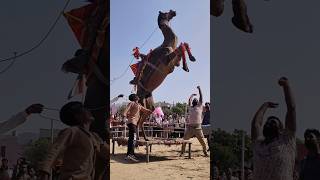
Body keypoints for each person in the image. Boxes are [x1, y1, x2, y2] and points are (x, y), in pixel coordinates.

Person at [38, 101, 109, 180]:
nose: (89, 111)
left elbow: (107, 153)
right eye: (85, 109)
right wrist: (45, 170)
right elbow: (55, 149)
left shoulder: (94, 137)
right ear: (77, 116)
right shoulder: (72, 131)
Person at [251, 77, 296, 180]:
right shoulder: (258, 144)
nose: (268, 123)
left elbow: (291, 109)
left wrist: (286, 86)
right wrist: (264, 106)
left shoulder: (286, 141)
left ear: (281, 129)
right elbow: (256, 124)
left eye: (273, 122)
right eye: (267, 121)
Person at [123, 94, 152, 161]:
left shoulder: (138, 105)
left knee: (131, 139)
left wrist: (151, 111)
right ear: (135, 98)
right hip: (132, 122)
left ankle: (129, 154)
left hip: (134, 123)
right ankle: (131, 154)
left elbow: (145, 110)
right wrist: (124, 117)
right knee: (133, 138)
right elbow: (126, 110)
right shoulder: (132, 103)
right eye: (137, 96)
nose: (138, 96)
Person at [180, 86, 209, 157]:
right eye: (194, 101)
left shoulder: (199, 106)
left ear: (197, 102)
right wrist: (191, 96)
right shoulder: (190, 107)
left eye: (195, 100)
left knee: (202, 142)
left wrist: (199, 89)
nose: (194, 101)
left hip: (198, 128)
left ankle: (205, 152)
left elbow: (201, 97)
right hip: (190, 127)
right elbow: (189, 100)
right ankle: (182, 152)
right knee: (184, 141)